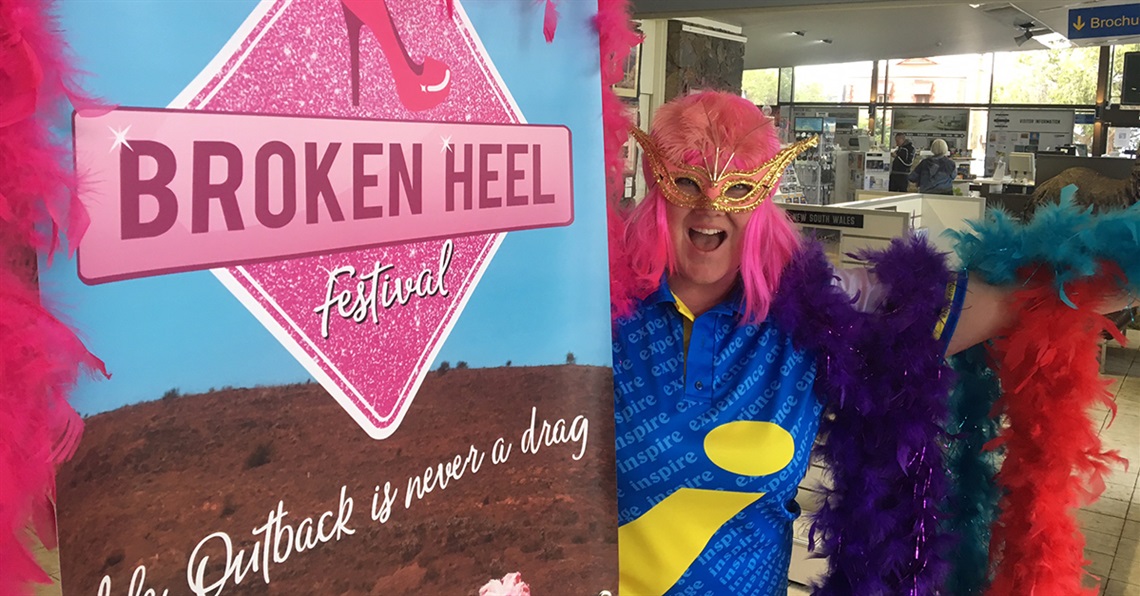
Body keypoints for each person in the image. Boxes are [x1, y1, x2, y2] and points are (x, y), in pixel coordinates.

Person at [609, 91, 1128, 595]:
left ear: (765, 200)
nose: (709, 205)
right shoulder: (593, 307)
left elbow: (1024, 301)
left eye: (738, 188)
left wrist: (1113, 263)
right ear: (657, 187)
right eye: (686, 182)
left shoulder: (818, 311)